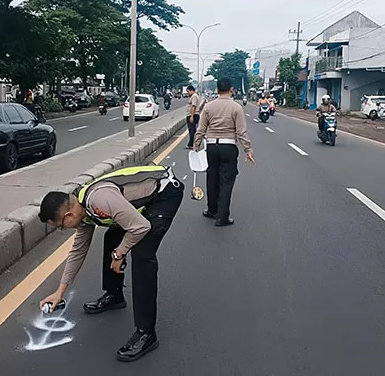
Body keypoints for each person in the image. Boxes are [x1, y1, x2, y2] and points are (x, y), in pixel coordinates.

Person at [38, 165, 184, 362]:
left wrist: (119, 254)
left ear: (68, 216)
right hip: (133, 205)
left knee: (142, 255)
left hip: (164, 195)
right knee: (112, 237)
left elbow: (141, 227)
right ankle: (114, 295)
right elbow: (78, 251)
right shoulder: (83, 211)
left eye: (61, 227)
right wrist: (59, 293)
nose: (63, 230)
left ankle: (146, 333)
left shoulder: (98, 200)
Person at [194, 77, 255, 227]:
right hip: (228, 147)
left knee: (212, 178)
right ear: (231, 90)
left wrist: (196, 145)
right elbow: (241, 132)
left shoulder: (208, 107)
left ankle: (212, 210)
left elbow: (201, 129)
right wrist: (248, 150)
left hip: (211, 147)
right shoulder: (236, 108)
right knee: (226, 182)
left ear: (217, 90)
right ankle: (222, 217)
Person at [185, 85, 203, 149]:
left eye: (188, 91)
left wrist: (192, 116)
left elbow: (194, 106)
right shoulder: (194, 96)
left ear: (191, 90)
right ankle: (192, 143)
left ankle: (191, 144)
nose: (188, 93)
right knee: (192, 130)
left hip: (193, 114)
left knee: (192, 130)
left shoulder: (194, 96)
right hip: (193, 114)